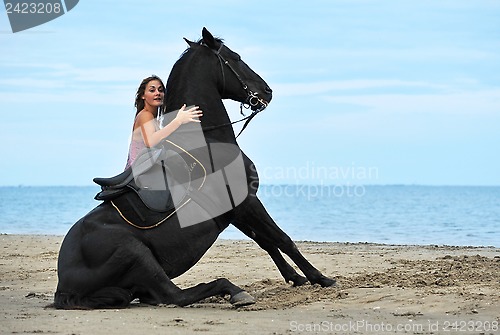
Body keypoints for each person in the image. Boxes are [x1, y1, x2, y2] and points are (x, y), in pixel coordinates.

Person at [125, 75, 202, 169]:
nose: (157, 93)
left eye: (160, 90)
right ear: (143, 96)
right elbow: (151, 142)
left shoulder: (154, 120)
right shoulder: (145, 115)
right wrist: (178, 121)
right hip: (141, 173)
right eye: (152, 90)